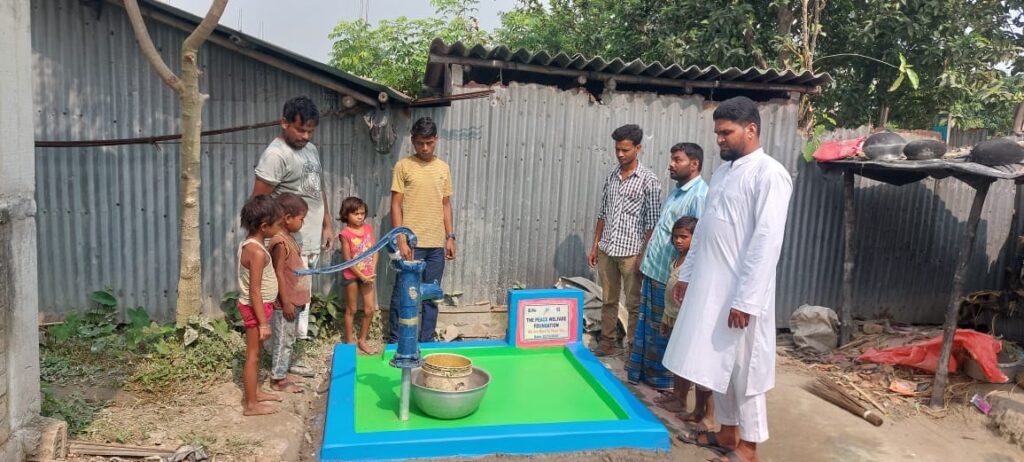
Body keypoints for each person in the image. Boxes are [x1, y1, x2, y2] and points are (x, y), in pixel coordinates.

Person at [665, 96, 794, 462]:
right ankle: (726, 432)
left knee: (746, 370)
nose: (719, 139)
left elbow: (767, 241)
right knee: (715, 362)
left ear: (750, 130)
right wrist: (687, 276)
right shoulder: (723, 173)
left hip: (742, 293)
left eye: (726, 132)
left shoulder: (770, 174)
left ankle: (749, 447)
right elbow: (704, 230)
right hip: (711, 287)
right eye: (717, 133)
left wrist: (746, 300)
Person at [252, 96, 332, 377]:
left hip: (308, 240)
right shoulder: (276, 155)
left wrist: (327, 223)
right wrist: (262, 245)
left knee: (302, 301)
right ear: (284, 122)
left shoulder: (310, 149)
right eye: (300, 130)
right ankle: (278, 362)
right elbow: (258, 202)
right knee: (284, 302)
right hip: (288, 245)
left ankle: (291, 355)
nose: (305, 136)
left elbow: (318, 188)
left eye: (310, 130)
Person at [627, 143, 707, 389]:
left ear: (694, 164)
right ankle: (650, 376)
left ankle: (667, 384)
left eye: (677, 160)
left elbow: (699, 241)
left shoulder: (700, 196)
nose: (671, 165)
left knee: (667, 332)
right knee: (650, 330)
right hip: (655, 271)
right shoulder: (676, 192)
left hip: (672, 278)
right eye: (672, 159)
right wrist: (644, 259)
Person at [588, 124, 661, 357]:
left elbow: (653, 223)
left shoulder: (649, 180)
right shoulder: (611, 177)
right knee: (608, 299)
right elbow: (602, 213)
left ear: (638, 148)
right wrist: (595, 245)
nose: (620, 154)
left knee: (634, 304)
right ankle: (607, 342)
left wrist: (643, 256)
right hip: (607, 249)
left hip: (632, 254)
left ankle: (632, 348)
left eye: (625, 150)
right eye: (617, 149)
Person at [388, 117, 455, 343]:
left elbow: (445, 204)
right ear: (412, 141)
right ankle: (396, 341)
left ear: (436, 139)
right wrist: (401, 240)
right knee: (402, 294)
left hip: (436, 245)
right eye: (420, 143)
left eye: (429, 142)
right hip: (411, 244)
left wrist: (450, 237)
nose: (424, 148)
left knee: (431, 295)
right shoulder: (403, 166)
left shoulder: (443, 168)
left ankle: (426, 341)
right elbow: (395, 204)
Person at [659, 217, 715, 430]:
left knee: (699, 369)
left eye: (684, 237)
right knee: (679, 363)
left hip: (691, 320)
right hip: (674, 317)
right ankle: (681, 399)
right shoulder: (678, 260)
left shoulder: (699, 262)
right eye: (675, 237)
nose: (678, 241)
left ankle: (706, 413)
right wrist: (666, 318)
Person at [236, 195, 284, 416]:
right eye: (278, 224)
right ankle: (251, 405)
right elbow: (254, 290)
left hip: (260, 308)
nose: (280, 228)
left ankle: (256, 392)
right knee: (253, 356)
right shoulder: (255, 251)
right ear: (264, 226)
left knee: (258, 353)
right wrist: (263, 323)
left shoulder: (253, 244)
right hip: (256, 310)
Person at [267, 193, 311, 394]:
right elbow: (278, 273)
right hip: (287, 303)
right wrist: (285, 302)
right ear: (287, 218)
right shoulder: (279, 242)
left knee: (289, 339)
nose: (303, 223)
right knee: (283, 341)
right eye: (301, 218)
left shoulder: (289, 238)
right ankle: (277, 379)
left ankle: (283, 371)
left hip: (294, 301)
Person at [338, 196, 379, 354]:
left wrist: (372, 270)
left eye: (362, 213)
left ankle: (362, 340)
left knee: (369, 310)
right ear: (346, 214)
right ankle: (349, 342)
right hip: (352, 275)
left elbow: (375, 251)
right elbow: (347, 260)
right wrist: (361, 275)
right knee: (352, 309)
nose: (360, 216)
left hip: (368, 275)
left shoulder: (368, 228)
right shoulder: (345, 234)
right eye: (356, 213)